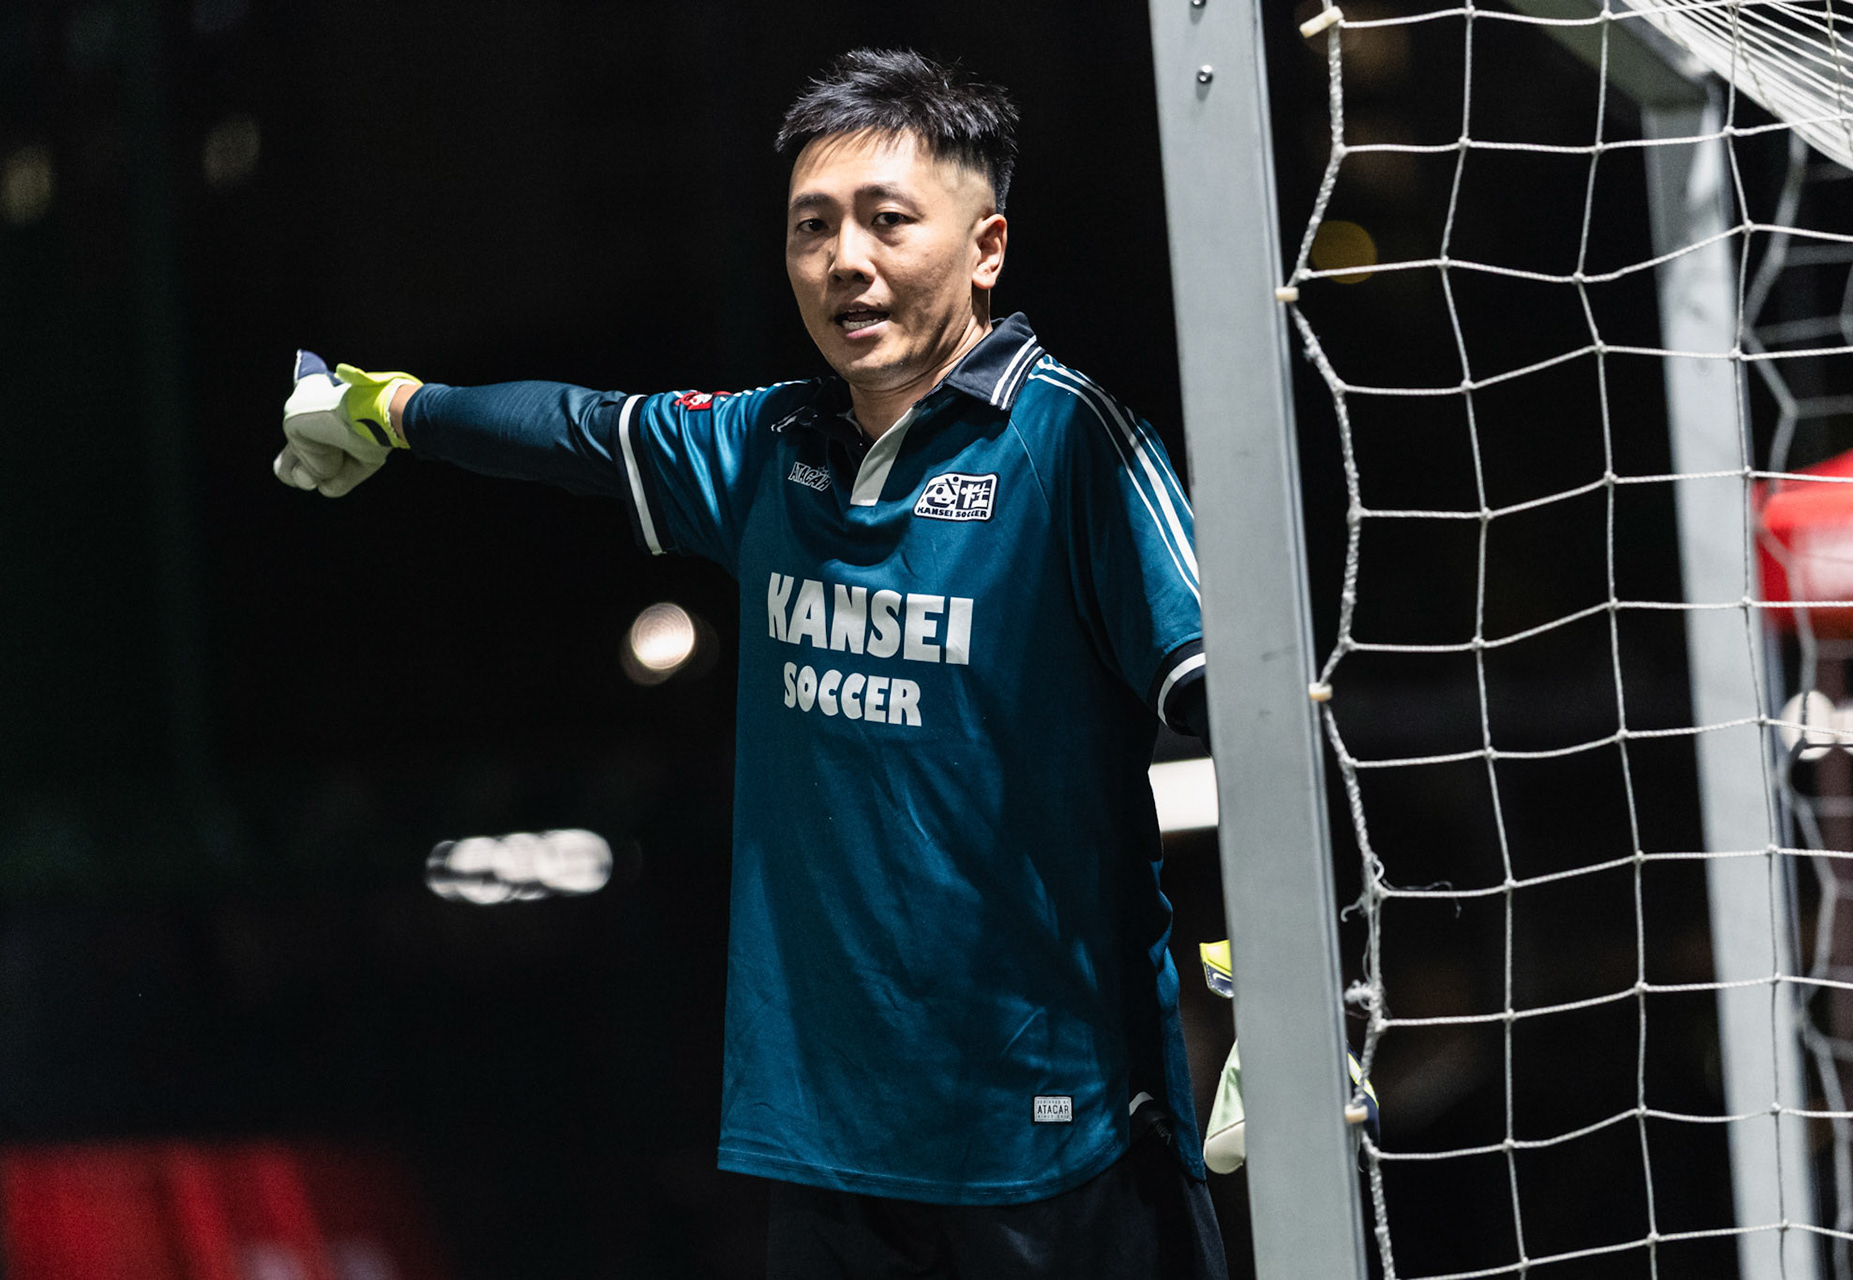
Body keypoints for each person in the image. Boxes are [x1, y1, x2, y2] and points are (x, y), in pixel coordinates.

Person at [277, 48, 1225, 1280]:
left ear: (987, 247)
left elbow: (1232, 697)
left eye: (889, 221)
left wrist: (1258, 965)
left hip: (1059, 1144)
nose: (846, 260)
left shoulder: (1072, 443)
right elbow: (577, 427)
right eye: (812, 227)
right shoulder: (772, 446)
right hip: (830, 1153)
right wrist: (390, 406)